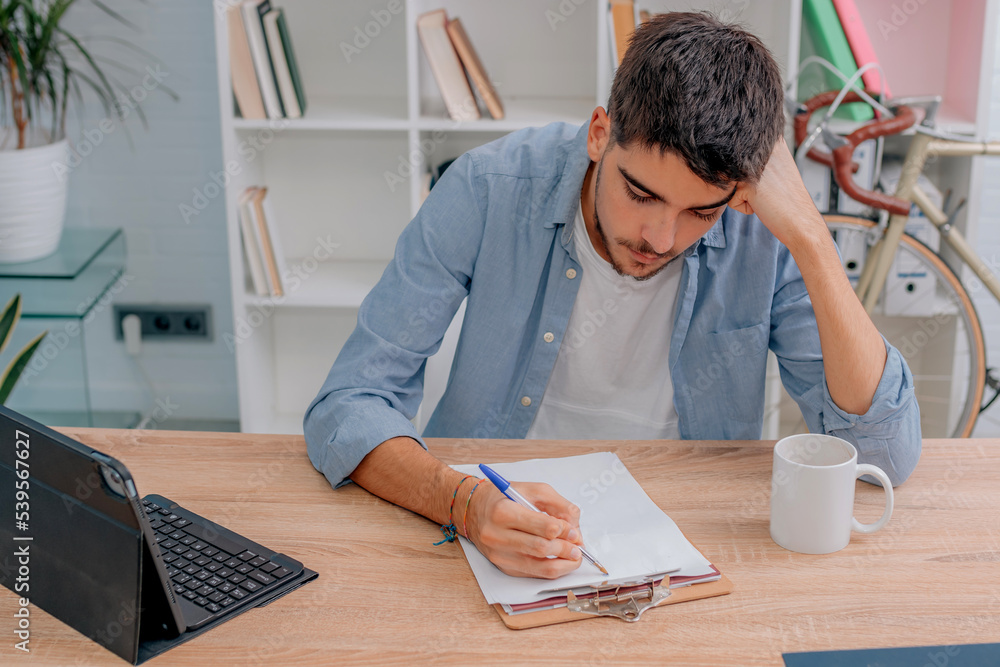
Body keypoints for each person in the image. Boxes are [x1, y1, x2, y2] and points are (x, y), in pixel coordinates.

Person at [304, 12, 920, 579]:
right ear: (600, 133)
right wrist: (461, 501)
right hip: (485, 534)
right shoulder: (488, 189)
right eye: (641, 193)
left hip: (690, 544)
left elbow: (882, 455)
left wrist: (812, 238)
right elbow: (350, 404)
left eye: (699, 213)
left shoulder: (760, 227)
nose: (660, 237)